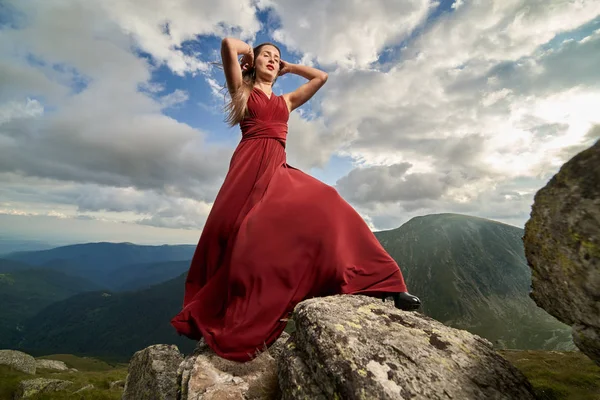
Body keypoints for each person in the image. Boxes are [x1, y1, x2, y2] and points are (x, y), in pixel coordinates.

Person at [170, 38, 421, 362]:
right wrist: (248, 55)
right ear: (253, 62)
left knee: (327, 201)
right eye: (267, 56)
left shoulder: (285, 101)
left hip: (277, 169)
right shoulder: (243, 93)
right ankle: (226, 310)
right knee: (233, 238)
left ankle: (385, 283)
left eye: (278, 57)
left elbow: (320, 77)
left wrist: (290, 67)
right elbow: (227, 44)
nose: (273, 60)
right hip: (247, 170)